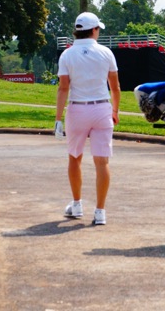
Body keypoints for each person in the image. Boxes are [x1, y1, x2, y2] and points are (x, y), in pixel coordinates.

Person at [55, 12, 121, 226]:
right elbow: (115, 86)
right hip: (101, 108)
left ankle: (76, 205)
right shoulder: (105, 52)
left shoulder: (67, 55)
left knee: (75, 158)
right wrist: (116, 110)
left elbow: (63, 88)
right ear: (93, 30)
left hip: (77, 110)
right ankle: (100, 211)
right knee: (102, 161)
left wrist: (58, 119)